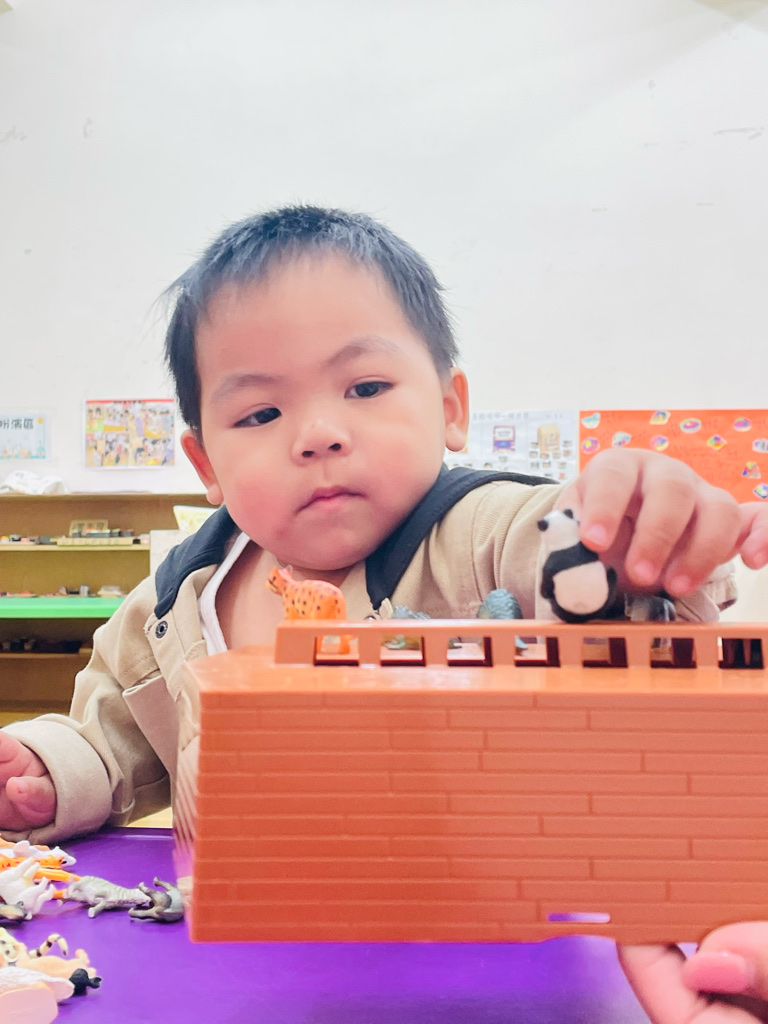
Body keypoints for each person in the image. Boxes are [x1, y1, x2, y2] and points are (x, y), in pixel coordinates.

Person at [1, 206, 767, 1023]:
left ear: (450, 408)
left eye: (365, 388)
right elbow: (110, 739)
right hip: (238, 969)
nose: (319, 435)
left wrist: (619, 536)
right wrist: (46, 773)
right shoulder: (172, 600)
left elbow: (555, 554)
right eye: (260, 414)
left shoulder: (472, 534)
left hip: (486, 962)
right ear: (206, 462)